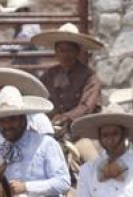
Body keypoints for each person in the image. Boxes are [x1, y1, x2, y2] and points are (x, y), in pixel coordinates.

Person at [30, 22, 104, 162]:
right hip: (50, 132)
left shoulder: (89, 77)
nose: (65, 55)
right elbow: (39, 100)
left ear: (78, 52)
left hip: (81, 134)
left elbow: (87, 107)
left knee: (93, 162)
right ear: (56, 52)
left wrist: (65, 117)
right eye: (62, 50)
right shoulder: (48, 75)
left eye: (70, 50)